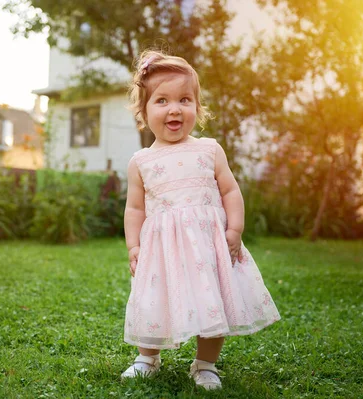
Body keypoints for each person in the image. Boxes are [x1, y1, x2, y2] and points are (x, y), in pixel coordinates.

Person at [121, 50, 281, 390]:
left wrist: (234, 228)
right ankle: (147, 357)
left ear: (197, 106)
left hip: (208, 247)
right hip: (162, 250)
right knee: (154, 299)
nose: (174, 108)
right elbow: (135, 208)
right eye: (161, 101)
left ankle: (205, 364)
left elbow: (230, 191)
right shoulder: (141, 161)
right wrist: (134, 245)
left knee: (214, 299)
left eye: (185, 99)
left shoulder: (209, 149)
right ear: (144, 111)